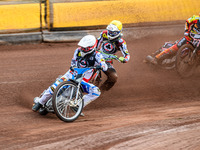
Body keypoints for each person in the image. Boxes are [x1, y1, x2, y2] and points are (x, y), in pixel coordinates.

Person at [32, 35, 108, 113]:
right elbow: (73, 62)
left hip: (82, 81)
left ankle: (79, 105)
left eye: (84, 48)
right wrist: (73, 67)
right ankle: (40, 103)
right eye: (82, 47)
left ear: (91, 47)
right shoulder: (77, 51)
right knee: (54, 87)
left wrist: (101, 66)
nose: (82, 49)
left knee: (96, 91)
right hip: (70, 75)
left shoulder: (97, 55)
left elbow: (105, 66)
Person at [96, 20, 130, 92]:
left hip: (107, 61)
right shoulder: (104, 34)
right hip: (96, 56)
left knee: (113, 77)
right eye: (109, 31)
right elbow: (96, 44)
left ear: (118, 32)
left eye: (112, 32)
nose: (110, 33)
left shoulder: (121, 42)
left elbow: (127, 55)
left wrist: (124, 59)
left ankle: (101, 92)